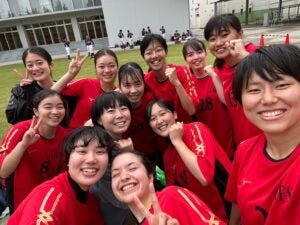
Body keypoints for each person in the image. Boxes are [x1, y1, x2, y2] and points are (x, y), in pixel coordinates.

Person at [225, 44, 300, 225]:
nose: (268, 99)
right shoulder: (244, 151)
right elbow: (237, 218)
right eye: (254, 90)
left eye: (281, 85)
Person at [145, 99, 232, 222]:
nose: (159, 121)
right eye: (152, 119)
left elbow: (205, 176)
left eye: (163, 113)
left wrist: (177, 141)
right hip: (203, 217)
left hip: (229, 211)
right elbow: (175, 195)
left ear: (175, 114)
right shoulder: (168, 155)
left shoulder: (195, 129)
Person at [8, 126, 114, 225]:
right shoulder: (50, 199)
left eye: (100, 152)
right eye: (82, 151)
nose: (91, 159)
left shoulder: (91, 201)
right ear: (67, 159)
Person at [111, 149, 227, 225]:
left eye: (132, 168)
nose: (124, 177)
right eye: (115, 174)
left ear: (150, 177)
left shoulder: (172, 196)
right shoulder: (127, 222)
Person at [0, 89, 69, 213]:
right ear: (36, 111)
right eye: (48, 107)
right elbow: (3, 172)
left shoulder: (65, 137)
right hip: (22, 201)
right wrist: (23, 145)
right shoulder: (20, 130)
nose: (55, 112)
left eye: (60, 107)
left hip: (49, 199)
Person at [204, 13, 261, 149]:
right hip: (243, 144)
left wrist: (245, 58)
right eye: (212, 39)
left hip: (271, 142)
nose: (218, 43)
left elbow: (276, 78)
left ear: (240, 34)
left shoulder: (258, 55)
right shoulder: (221, 68)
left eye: (224, 35)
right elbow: (228, 101)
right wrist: (214, 76)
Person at [5, 47, 86, 127]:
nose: (35, 68)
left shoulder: (69, 90)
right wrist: (25, 93)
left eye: (40, 63)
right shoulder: (20, 91)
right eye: (30, 65)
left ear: (51, 65)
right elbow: (15, 120)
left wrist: (70, 75)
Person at [182, 38, 234, 159]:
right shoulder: (187, 84)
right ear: (186, 60)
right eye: (190, 55)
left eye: (199, 52)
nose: (195, 57)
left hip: (228, 138)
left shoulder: (218, 74)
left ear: (205, 53)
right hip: (206, 141)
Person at [90, 91, 133, 225]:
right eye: (110, 111)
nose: (119, 115)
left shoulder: (118, 144)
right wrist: (128, 157)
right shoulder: (100, 153)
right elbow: (125, 200)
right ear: (98, 119)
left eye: (123, 108)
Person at [51, 48, 118, 131]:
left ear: (117, 67)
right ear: (96, 69)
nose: (107, 70)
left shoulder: (118, 95)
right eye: (101, 66)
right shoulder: (86, 83)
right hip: (74, 137)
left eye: (111, 66)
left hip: (100, 140)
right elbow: (50, 93)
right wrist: (70, 74)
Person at [140, 33, 199, 123]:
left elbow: (191, 110)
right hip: (162, 132)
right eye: (149, 53)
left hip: (186, 128)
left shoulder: (182, 71)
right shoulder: (146, 80)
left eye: (158, 50)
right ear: (143, 57)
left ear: (166, 51)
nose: (154, 55)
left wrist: (176, 83)